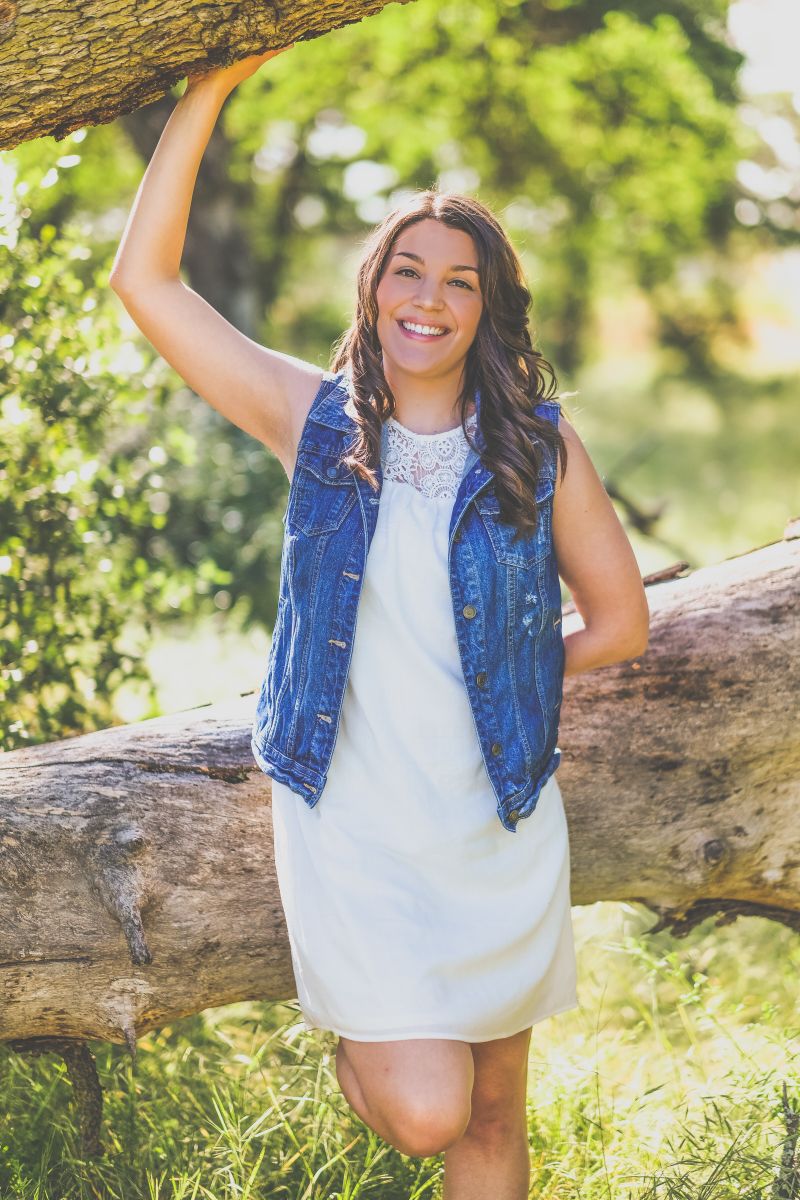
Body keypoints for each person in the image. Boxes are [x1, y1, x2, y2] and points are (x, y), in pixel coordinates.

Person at [110, 45, 650, 1200]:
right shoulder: (312, 421)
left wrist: (506, 678)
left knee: (492, 1113)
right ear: (373, 289)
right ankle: (352, 1029)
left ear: (487, 310)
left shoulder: (535, 448)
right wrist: (209, 91)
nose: (428, 300)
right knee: (425, 1112)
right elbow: (146, 284)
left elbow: (618, 622)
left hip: (495, 820)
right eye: (408, 272)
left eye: (459, 282)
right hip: (354, 825)